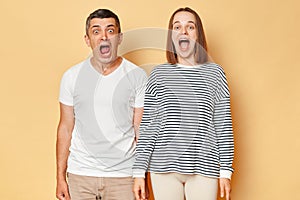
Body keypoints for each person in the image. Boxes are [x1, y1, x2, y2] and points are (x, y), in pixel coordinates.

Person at [133, 7, 234, 200]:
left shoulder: (215, 74)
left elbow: (223, 125)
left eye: (190, 27)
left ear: (198, 35)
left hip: (205, 166)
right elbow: (148, 126)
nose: (184, 32)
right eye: (177, 27)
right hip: (164, 169)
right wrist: (138, 172)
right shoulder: (158, 75)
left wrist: (225, 172)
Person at [56, 8, 147, 200]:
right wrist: (60, 177)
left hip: (124, 176)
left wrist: (142, 177)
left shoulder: (137, 76)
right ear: (87, 39)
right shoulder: (71, 76)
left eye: (110, 30)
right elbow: (65, 128)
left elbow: (141, 131)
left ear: (119, 38)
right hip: (81, 175)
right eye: (96, 31)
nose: (104, 37)